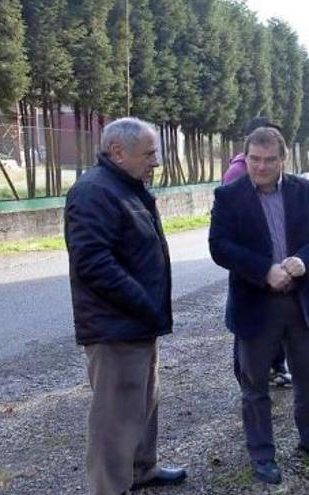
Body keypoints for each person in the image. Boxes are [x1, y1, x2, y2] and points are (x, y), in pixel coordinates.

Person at [208, 127, 309, 485]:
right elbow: (219, 247)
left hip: (298, 303)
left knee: (307, 382)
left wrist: (303, 261)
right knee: (255, 388)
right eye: (254, 159)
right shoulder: (229, 196)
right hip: (255, 304)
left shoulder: (304, 190)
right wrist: (262, 271)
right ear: (245, 157)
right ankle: (262, 455)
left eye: (269, 160)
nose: (261, 167)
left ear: (283, 159)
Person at [64, 117, 187, 495]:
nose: (156, 162)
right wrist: (141, 301)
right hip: (115, 327)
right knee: (114, 420)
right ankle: (108, 488)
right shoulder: (94, 191)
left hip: (138, 323)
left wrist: (148, 310)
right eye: (149, 154)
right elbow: (93, 262)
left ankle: (141, 470)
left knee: (144, 402)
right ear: (118, 152)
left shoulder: (127, 187)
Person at [223, 116, 291, 388]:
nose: (264, 164)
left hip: (282, 272)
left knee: (278, 323)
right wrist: (261, 268)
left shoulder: (289, 183)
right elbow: (225, 241)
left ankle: (275, 366)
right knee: (248, 329)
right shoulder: (236, 177)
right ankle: (248, 379)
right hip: (251, 274)